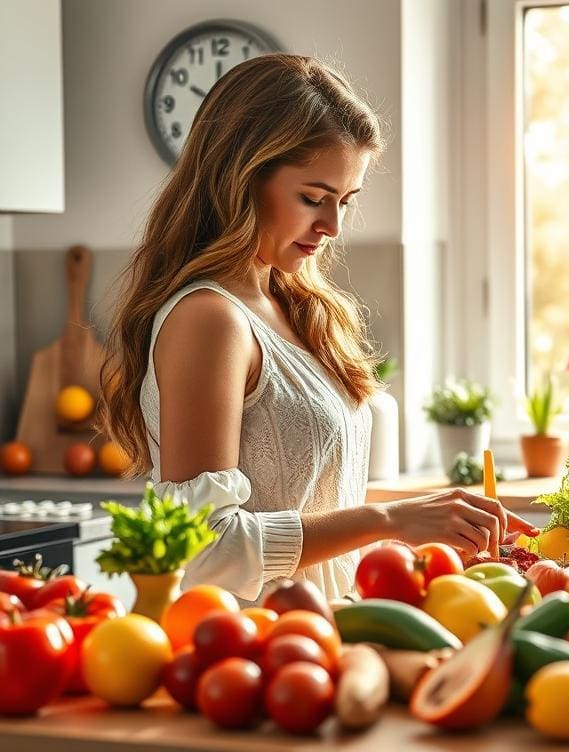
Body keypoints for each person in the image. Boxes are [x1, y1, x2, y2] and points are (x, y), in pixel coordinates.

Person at [101, 54, 537, 603]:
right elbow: (205, 550)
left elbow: (312, 498)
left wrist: (434, 521)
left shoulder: (290, 303)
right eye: (313, 198)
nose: (331, 226)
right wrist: (388, 519)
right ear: (240, 178)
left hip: (318, 636)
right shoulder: (208, 320)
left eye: (345, 202)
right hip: (248, 652)